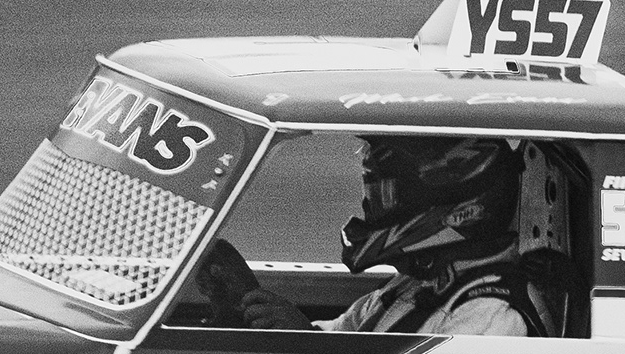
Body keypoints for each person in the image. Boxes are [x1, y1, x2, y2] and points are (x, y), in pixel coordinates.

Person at [192, 133, 565, 337]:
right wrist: (277, 321)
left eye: (386, 195)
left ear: (454, 207)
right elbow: (343, 340)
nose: (372, 208)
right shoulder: (417, 284)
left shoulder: (489, 317)